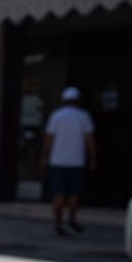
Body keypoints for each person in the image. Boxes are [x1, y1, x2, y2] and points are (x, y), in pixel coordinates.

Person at [42, 87, 96, 236]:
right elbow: (89, 139)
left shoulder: (56, 116)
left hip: (58, 160)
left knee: (58, 194)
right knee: (74, 194)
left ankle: (58, 222)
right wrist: (92, 158)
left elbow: (48, 138)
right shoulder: (83, 116)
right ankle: (71, 220)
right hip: (76, 161)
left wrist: (44, 156)